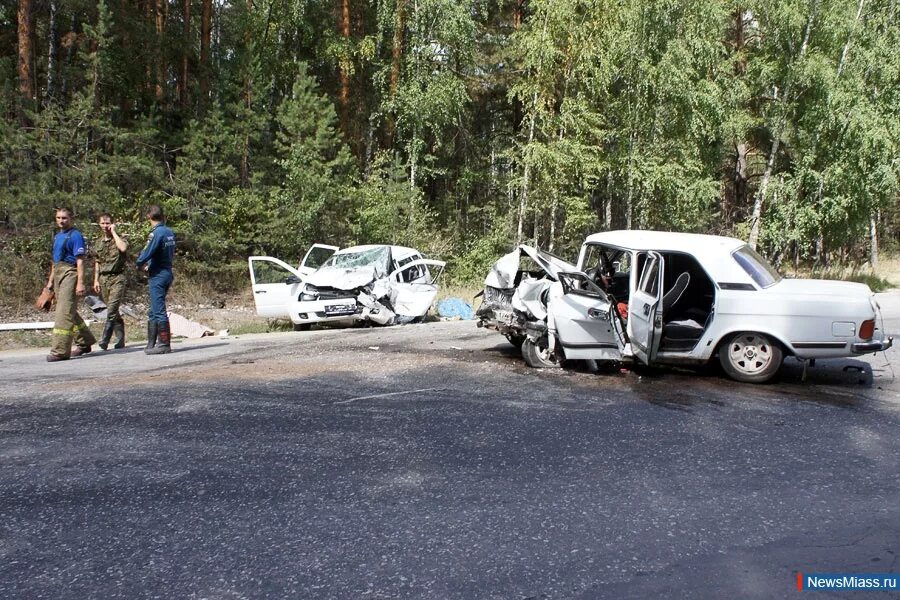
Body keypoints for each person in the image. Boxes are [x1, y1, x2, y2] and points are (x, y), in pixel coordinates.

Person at [46, 207, 97, 362]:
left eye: (64, 218)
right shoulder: (57, 237)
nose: (61, 221)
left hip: (70, 273)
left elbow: (80, 261)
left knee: (63, 312)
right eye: (58, 218)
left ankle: (60, 350)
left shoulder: (76, 236)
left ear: (71, 219)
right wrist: (49, 284)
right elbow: (55, 263)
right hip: (58, 274)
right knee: (69, 310)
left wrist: (80, 283)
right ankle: (85, 342)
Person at [135, 205, 176, 354]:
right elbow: (164, 253)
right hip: (167, 271)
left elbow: (148, 252)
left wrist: (138, 262)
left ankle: (164, 344)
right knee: (153, 309)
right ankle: (151, 343)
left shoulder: (156, 234)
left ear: (148, 217)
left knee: (158, 310)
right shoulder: (169, 232)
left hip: (158, 276)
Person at [92, 213, 129, 350]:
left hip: (117, 277)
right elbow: (97, 261)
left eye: (108, 223)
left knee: (112, 308)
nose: (105, 226)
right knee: (112, 309)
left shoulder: (119, 239)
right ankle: (120, 338)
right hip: (104, 278)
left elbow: (123, 248)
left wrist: (114, 232)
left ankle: (105, 338)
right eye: (102, 223)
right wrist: (96, 280)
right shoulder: (98, 243)